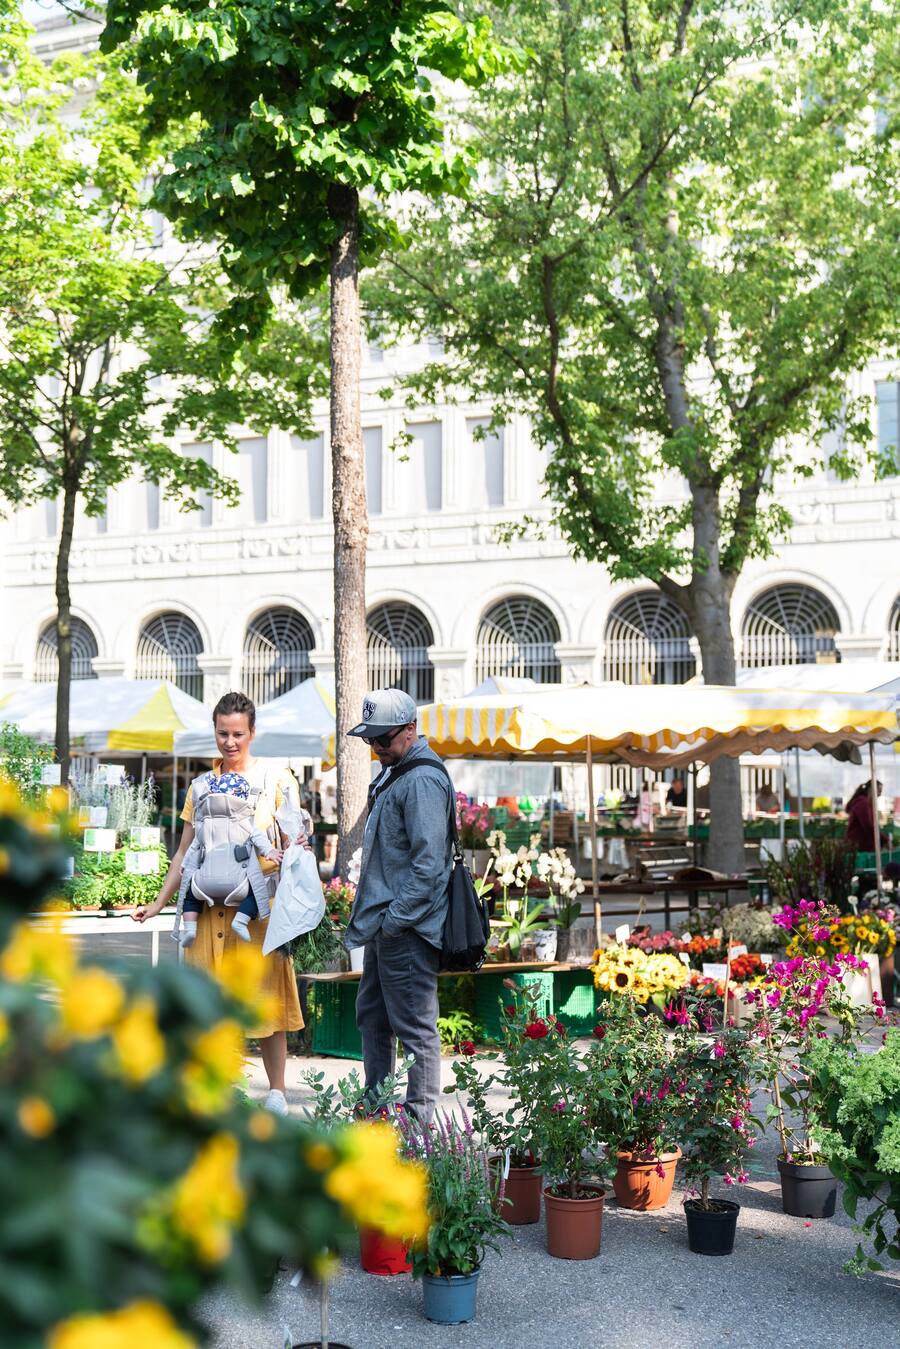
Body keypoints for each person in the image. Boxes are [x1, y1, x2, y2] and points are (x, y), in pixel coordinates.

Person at [134, 691, 306, 1115]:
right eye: (222, 733)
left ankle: (278, 1093)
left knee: (266, 1003)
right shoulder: (200, 786)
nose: (229, 742)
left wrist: (295, 858)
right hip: (207, 910)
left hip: (256, 910)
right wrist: (158, 904)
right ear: (214, 730)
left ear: (252, 732)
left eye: (238, 734)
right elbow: (184, 851)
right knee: (208, 1006)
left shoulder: (277, 779)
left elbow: (295, 839)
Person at [344, 688, 454, 1123]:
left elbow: (429, 866)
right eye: (370, 740)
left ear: (410, 729)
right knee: (372, 1017)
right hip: (388, 926)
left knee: (415, 1030)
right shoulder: (397, 771)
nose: (376, 748)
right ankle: (375, 1108)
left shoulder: (421, 779)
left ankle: (419, 1127)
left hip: (406, 928)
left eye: (383, 739)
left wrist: (393, 921)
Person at [177, 769, 284, 949]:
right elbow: (260, 840)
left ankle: (189, 928)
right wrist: (271, 852)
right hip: (238, 884)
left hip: (202, 885)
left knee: (190, 897)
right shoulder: (245, 822)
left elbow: (193, 846)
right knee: (258, 892)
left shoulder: (205, 822)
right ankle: (241, 920)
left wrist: (185, 864)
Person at [846, 780, 888, 851]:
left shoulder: (866, 803)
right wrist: (885, 840)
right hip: (859, 845)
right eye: (879, 791)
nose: (880, 794)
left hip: (862, 845)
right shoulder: (862, 803)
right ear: (871, 789)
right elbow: (868, 826)